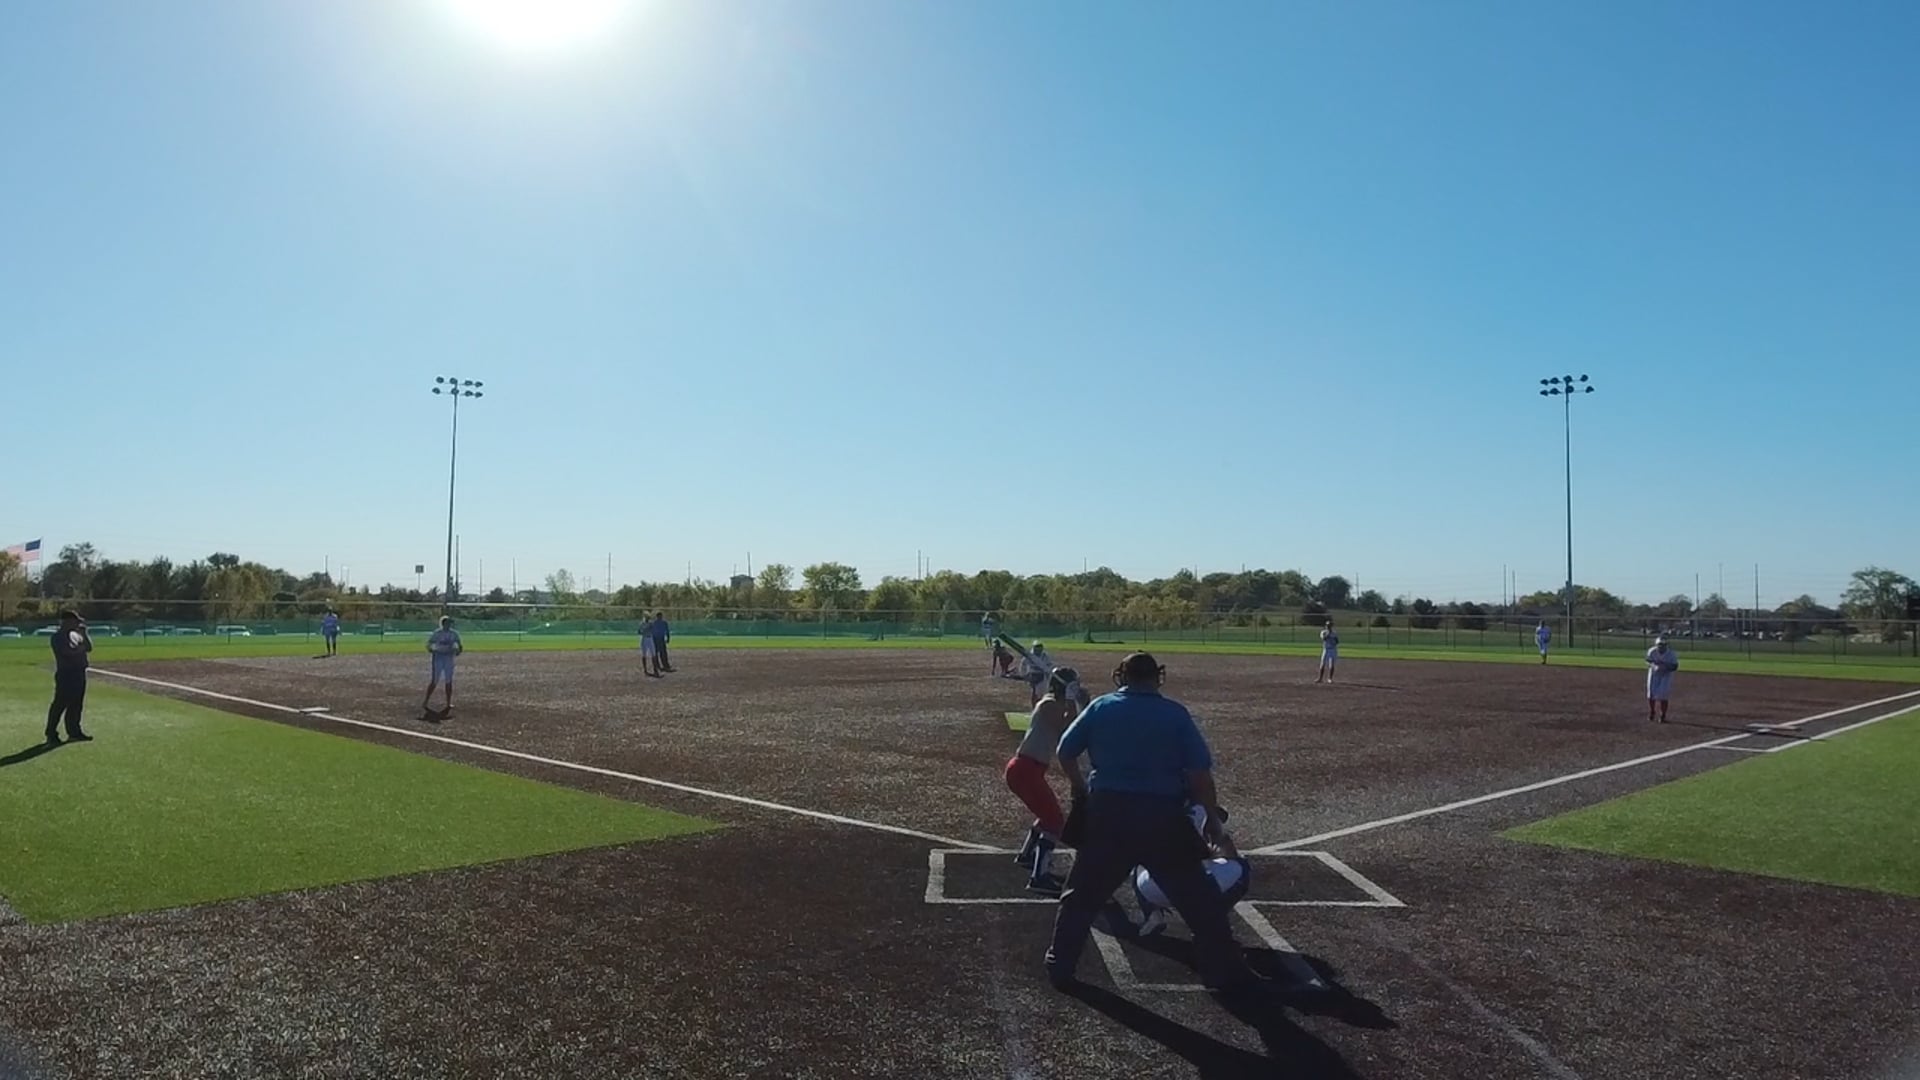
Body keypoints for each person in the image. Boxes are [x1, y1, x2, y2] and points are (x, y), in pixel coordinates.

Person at [1045, 652, 1264, 994]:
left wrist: (1080, 786)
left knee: (1081, 897)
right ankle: (1223, 971)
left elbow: (1065, 750)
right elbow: (1199, 774)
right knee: (1201, 902)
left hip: (1109, 814)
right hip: (1162, 817)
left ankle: (1060, 965)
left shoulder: (1102, 707)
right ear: (1156, 677)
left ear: (1122, 676)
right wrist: (1211, 818)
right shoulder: (1175, 714)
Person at [1006, 667, 1088, 894]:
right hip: (1025, 769)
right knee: (1055, 821)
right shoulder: (1049, 704)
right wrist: (1073, 700)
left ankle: (1026, 855)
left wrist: (1080, 701)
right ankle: (1038, 877)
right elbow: (1067, 727)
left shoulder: (1055, 703)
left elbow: (1074, 723)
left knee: (1048, 816)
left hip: (1029, 769)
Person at [1134, 804, 1251, 937]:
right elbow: (1227, 850)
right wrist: (1212, 851)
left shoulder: (1151, 809)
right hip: (1192, 890)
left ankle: (1152, 914)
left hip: (1152, 890)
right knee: (1242, 866)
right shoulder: (1202, 810)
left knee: (1138, 861)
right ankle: (1209, 923)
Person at [45, 610, 94, 745]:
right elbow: (67, 652)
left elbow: (89, 648)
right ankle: (51, 733)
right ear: (67, 621)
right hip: (66, 674)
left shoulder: (75, 635)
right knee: (60, 704)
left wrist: (84, 634)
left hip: (79, 673)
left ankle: (74, 732)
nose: (78, 624)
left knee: (76, 705)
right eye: (75, 621)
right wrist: (81, 649)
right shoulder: (58, 637)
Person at [421, 616, 463, 721]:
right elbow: (429, 644)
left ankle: (448, 703)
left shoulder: (454, 633)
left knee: (448, 681)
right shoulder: (437, 633)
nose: (449, 625)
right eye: (448, 623)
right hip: (438, 657)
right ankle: (426, 701)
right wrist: (432, 649)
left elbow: (459, 645)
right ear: (444, 624)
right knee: (434, 680)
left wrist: (458, 651)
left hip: (449, 658)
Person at [1646, 636, 1679, 723]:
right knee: (1651, 694)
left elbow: (1675, 666)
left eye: (1663, 645)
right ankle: (1652, 711)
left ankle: (1662, 715)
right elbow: (1648, 661)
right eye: (1659, 645)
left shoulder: (1671, 654)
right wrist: (1654, 666)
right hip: (1654, 674)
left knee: (1663, 695)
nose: (1661, 647)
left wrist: (1665, 667)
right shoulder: (1652, 651)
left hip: (1666, 675)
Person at [638, 613, 661, 677]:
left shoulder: (651, 623)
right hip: (644, 639)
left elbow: (653, 629)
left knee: (653, 654)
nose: (648, 618)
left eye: (648, 617)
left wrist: (650, 628)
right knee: (644, 654)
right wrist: (644, 630)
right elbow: (639, 631)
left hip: (650, 638)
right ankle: (645, 669)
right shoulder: (642, 624)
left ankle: (655, 669)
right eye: (647, 617)